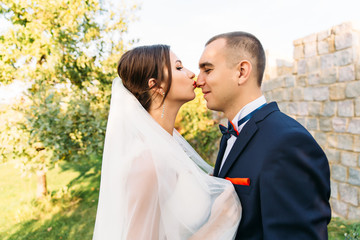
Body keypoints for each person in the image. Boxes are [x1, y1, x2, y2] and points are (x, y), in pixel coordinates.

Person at [93, 44, 241, 240]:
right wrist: (220, 222)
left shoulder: (168, 145)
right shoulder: (147, 162)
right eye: (179, 67)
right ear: (156, 85)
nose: (191, 74)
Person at [197, 32, 331, 239]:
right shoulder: (229, 136)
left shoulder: (288, 143)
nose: (198, 81)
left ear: (242, 72)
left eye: (208, 70)